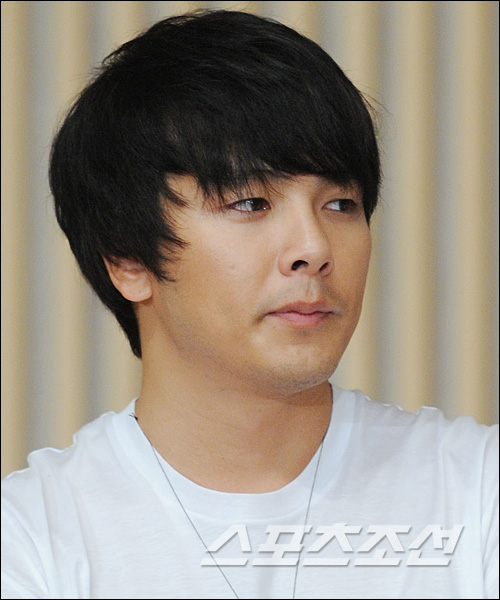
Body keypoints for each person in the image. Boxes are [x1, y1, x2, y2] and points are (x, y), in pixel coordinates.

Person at [1, 8, 498, 600]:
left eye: (340, 204)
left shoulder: (477, 491)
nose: (313, 248)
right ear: (127, 260)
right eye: (250, 203)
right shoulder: (31, 539)